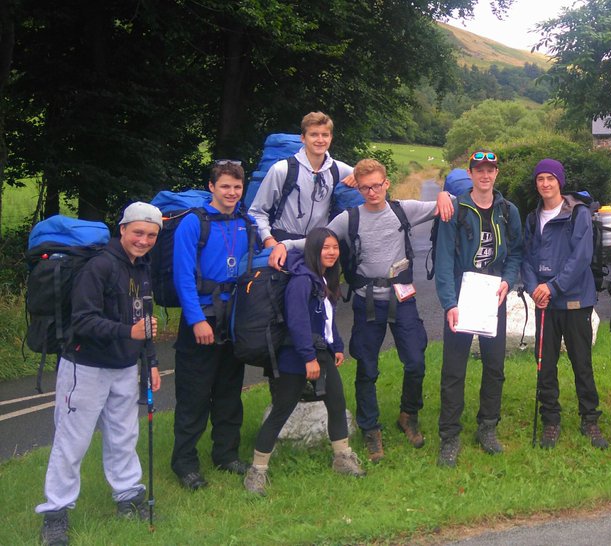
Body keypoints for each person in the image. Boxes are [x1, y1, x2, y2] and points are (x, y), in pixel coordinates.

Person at [267, 159, 453, 462]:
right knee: (367, 368)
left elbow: (451, 201)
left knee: (416, 362)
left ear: (386, 184)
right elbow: (317, 240)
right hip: (366, 302)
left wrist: (445, 195)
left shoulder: (403, 209)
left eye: (377, 185)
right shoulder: (349, 219)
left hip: (403, 299)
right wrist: (284, 246)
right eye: (365, 187)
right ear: (359, 188)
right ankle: (370, 428)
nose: (372, 191)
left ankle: (409, 414)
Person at [36, 202, 163, 546]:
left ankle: (127, 496)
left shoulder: (142, 268)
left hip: (124, 366)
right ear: (122, 229)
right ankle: (55, 513)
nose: (144, 240)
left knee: (124, 436)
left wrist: (150, 361)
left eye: (151, 235)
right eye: (138, 232)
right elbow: (83, 320)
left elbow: (145, 322)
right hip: (85, 367)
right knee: (71, 442)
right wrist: (129, 333)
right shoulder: (99, 266)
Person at [244, 228, 363, 496]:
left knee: (337, 402)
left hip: (321, 352)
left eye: (335, 247)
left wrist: (337, 347)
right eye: (326, 248)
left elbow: (327, 318)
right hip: (296, 356)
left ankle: (342, 457)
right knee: (282, 409)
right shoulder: (301, 280)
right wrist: (309, 358)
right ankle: (257, 471)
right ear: (313, 249)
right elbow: (297, 322)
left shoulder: (323, 278)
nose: (332, 252)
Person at [170, 160, 259, 491]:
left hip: (233, 319)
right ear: (211, 187)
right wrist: (195, 320)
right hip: (203, 318)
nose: (232, 193)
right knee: (194, 393)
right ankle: (185, 462)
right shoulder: (194, 223)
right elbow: (182, 276)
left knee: (228, 391)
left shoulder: (245, 221)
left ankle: (226, 454)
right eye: (225, 186)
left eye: (237, 187)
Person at [433, 149, 523, 467]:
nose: (485, 175)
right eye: (479, 170)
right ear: (470, 174)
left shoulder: (508, 211)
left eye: (491, 169)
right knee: (454, 370)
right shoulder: (455, 210)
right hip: (462, 295)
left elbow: (516, 253)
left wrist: (507, 281)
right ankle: (450, 436)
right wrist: (449, 303)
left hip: (491, 294)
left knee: (494, 366)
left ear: (497, 173)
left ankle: (487, 428)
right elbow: (444, 259)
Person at [520, 158, 608, 449]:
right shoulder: (533, 218)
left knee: (581, 363)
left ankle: (590, 420)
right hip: (544, 303)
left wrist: (553, 287)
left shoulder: (578, 213)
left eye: (550, 178)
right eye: (540, 179)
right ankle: (551, 420)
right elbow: (526, 258)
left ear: (560, 181)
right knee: (545, 365)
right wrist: (535, 288)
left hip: (573, 301)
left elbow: (581, 257)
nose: (545, 184)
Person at [249, 111, 353, 253]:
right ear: (303, 138)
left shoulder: (338, 169)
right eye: (314, 134)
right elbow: (257, 211)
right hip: (283, 242)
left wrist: (357, 176)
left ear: (331, 138)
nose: (320, 140)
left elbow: (372, 177)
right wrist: (268, 238)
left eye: (325, 135)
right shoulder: (282, 169)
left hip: (318, 244)